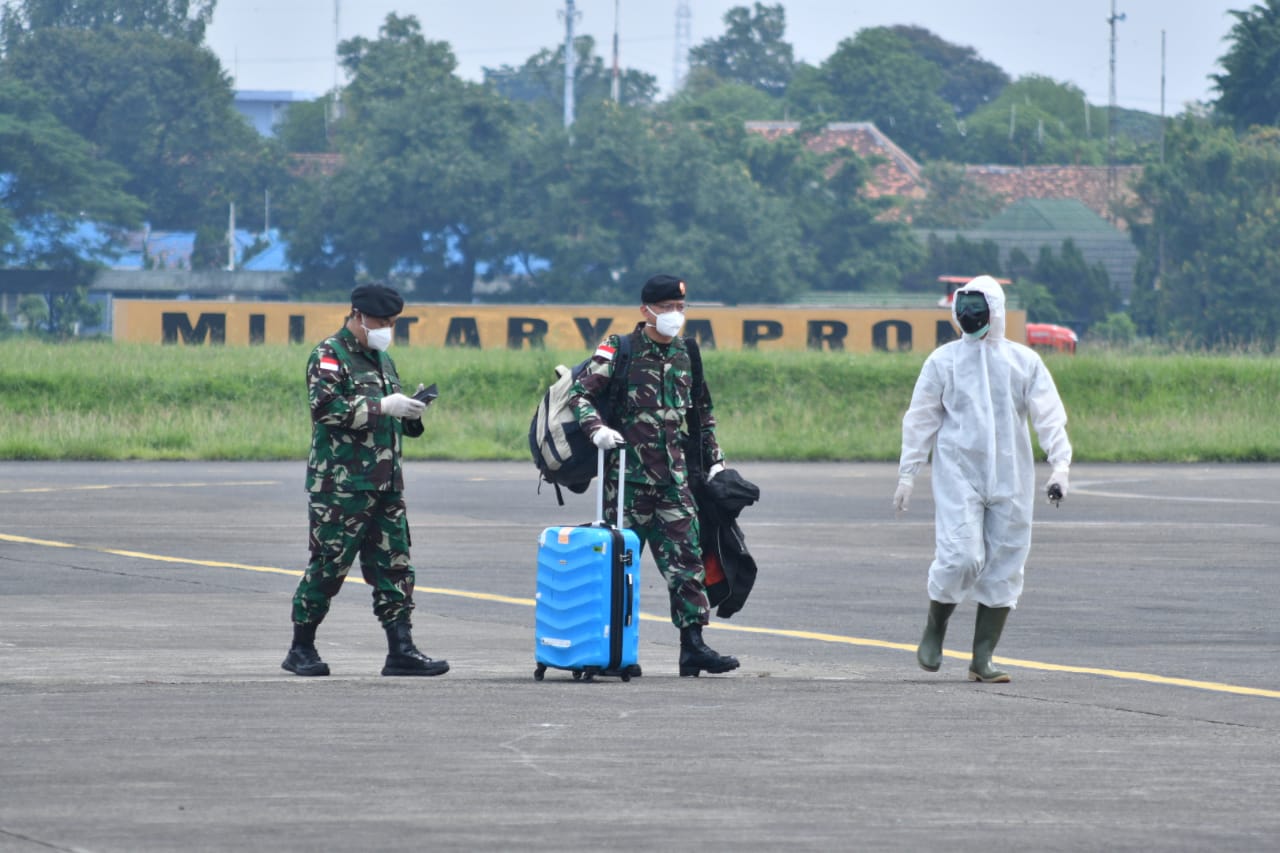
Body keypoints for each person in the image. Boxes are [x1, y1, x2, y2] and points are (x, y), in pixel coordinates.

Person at [894, 274, 1071, 683]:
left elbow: (1049, 416)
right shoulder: (943, 361)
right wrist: (909, 472)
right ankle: (935, 629)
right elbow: (920, 417)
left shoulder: (1024, 362)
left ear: (997, 312)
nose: (970, 318)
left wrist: (1059, 466)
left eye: (979, 310)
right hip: (959, 470)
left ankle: (982, 657)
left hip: (1012, 474)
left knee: (1007, 561)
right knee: (962, 556)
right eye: (965, 310)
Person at [569, 274, 740, 677]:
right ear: (645, 310)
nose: (674, 315)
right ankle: (606, 650)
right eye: (666, 308)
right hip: (627, 481)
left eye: (680, 308)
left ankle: (693, 646)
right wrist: (597, 430)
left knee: (687, 564)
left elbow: (702, 414)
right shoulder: (619, 349)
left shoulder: (687, 354)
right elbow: (580, 394)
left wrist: (715, 460)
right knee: (615, 568)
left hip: (674, 482)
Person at [281, 282, 448, 678]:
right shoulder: (329, 356)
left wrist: (409, 411)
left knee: (395, 566)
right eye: (382, 322)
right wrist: (380, 405)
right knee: (328, 566)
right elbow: (326, 409)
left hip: (386, 482)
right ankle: (301, 647)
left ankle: (401, 649)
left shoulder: (382, 360)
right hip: (341, 485)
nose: (387, 329)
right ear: (357, 316)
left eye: (392, 323)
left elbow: (391, 418)